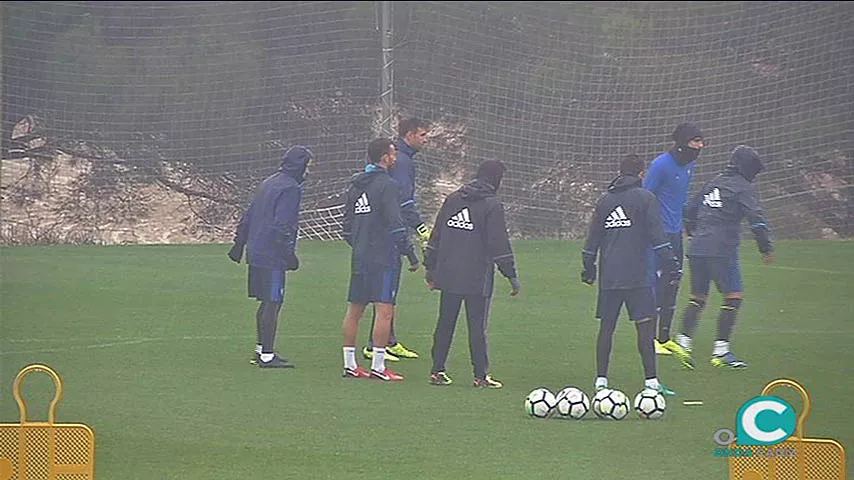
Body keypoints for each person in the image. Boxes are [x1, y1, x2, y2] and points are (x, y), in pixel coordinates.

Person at [581, 154, 680, 396]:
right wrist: (672, 264)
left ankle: (601, 381)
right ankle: (652, 383)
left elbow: (593, 238)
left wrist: (588, 266)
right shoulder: (646, 198)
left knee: (607, 328)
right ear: (641, 174)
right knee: (645, 328)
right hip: (638, 276)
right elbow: (658, 237)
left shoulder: (605, 200)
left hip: (610, 277)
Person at [675, 145, 774, 369]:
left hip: (698, 248)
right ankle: (721, 351)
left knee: (697, 298)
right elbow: (756, 219)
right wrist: (765, 248)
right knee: (733, 297)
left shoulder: (715, 181)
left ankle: (683, 342)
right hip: (721, 250)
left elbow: (690, 210)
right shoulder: (743, 187)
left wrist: (692, 233)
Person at [424, 160, 520, 389]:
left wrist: (431, 267)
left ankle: (437, 371)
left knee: (445, 323)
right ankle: (480, 376)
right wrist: (511, 275)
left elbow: (436, 234)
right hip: (477, 276)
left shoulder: (453, 199)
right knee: (477, 326)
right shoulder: (491, 205)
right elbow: (498, 243)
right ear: (496, 180)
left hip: (448, 273)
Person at [341, 138, 420, 381]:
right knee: (384, 311)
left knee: (354, 311)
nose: (395, 158)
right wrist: (410, 254)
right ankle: (378, 365)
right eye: (393, 153)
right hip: (384, 257)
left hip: (361, 257)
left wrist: (360, 245)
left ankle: (350, 365)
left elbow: (346, 227)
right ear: (385, 157)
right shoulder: (388, 185)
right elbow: (396, 224)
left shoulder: (356, 185)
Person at [227, 145, 313, 369]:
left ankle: (260, 348)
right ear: (301, 166)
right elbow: (281, 226)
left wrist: (239, 244)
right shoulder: (291, 188)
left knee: (266, 300)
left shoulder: (269, 182)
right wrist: (289, 255)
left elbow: (249, 215)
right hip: (272, 253)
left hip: (256, 250)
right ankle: (267, 354)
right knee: (273, 301)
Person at [363, 118, 431, 362]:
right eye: (423, 135)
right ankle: (374, 345)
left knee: (387, 289)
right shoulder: (401, 161)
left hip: (383, 231)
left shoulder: (402, 159)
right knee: (385, 289)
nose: (426, 139)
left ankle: (389, 341)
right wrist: (420, 227)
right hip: (390, 231)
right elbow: (402, 200)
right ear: (410, 134)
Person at [644, 123, 705, 363]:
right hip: (658, 234)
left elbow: (680, 200)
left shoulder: (690, 165)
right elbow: (646, 197)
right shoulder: (660, 165)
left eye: (701, 141)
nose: (700, 146)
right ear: (682, 142)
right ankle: (649, 338)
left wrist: (687, 227)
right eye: (695, 141)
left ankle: (664, 337)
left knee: (673, 282)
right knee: (656, 284)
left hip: (675, 233)